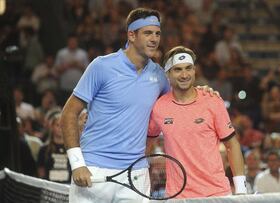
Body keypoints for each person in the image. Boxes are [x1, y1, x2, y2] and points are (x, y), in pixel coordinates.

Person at [61, 8, 216, 203]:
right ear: (131, 35)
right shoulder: (101, 66)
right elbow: (68, 114)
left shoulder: (160, 76)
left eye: (157, 33)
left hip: (136, 174)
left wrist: (205, 94)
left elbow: (181, 100)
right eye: (147, 33)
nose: (154, 39)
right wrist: (77, 164)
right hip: (93, 170)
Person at [148, 46, 247, 198]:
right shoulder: (158, 107)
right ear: (168, 74)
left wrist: (241, 189)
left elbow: (231, 144)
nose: (184, 74)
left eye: (188, 68)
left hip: (217, 193)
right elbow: (147, 143)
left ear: (195, 70)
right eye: (178, 69)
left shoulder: (213, 100)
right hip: (178, 197)